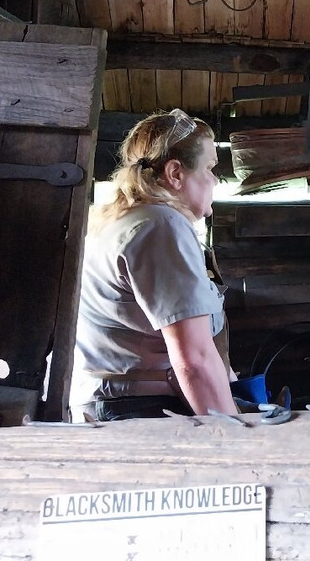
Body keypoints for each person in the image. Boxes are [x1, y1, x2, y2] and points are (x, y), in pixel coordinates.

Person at [69, 108, 239, 421]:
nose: (215, 179)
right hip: (141, 413)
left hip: (111, 408)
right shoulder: (161, 225)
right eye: (210, 167)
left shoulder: (122, 220)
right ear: (176, 173)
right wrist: (237, 439)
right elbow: (195, 360)